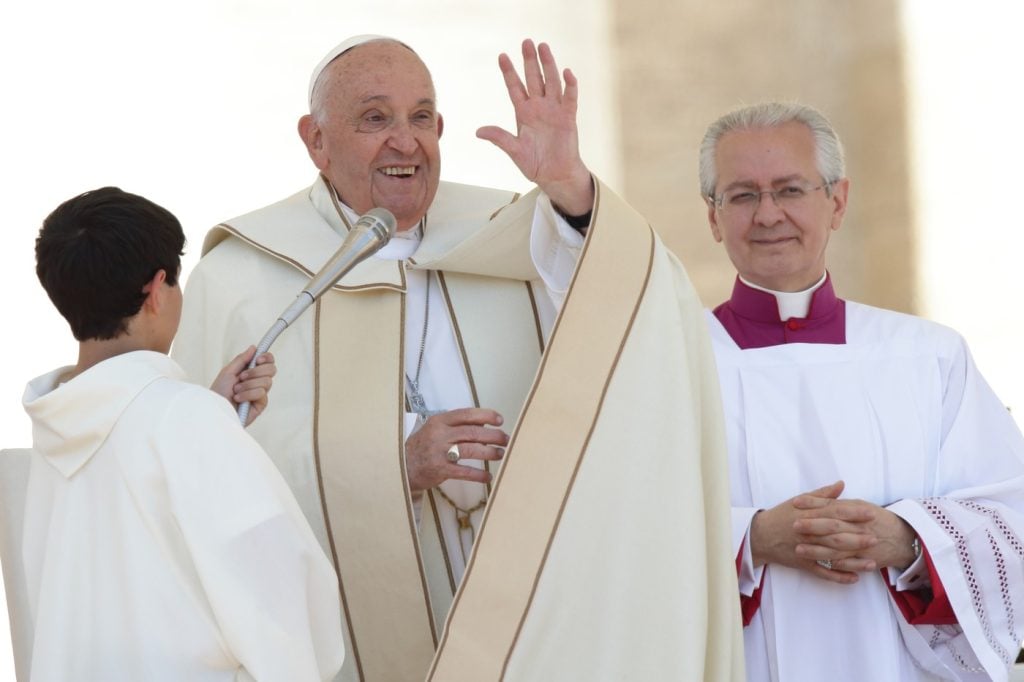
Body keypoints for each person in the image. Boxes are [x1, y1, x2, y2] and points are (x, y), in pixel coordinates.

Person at [175, 36, 745, 681]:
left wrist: (571, 189)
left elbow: (646, 310)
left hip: (520, 616)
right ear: (316, 140)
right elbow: (204, 479)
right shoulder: (245, 276)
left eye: (421, 118)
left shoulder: (514, 231)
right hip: (343, 629)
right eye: (374, 118)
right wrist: (391, 466)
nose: (405, 140)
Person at [700, 102, 1024, 681]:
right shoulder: (671, 362)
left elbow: (1012, 519)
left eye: (790, 189)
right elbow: (616, 526)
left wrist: (910, 539)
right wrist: (750, 539)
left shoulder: (929, 355)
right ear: (713, 217)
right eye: (742, 195)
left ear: (837, 201)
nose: (768, 214)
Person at [22, 187, 344, 681]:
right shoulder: (185, 419)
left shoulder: (53, 430)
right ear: (156, 289)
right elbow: (280, 595)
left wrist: (208, 411)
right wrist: (205, 420)